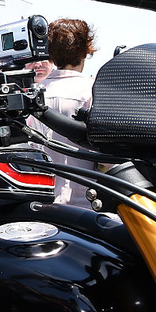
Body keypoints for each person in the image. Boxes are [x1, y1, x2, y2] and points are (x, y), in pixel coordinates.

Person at [31, 18, 97, 207]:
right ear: (86, 50)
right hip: (87, 203)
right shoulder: (93, 90)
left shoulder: (33, 95)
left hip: (42, 200)